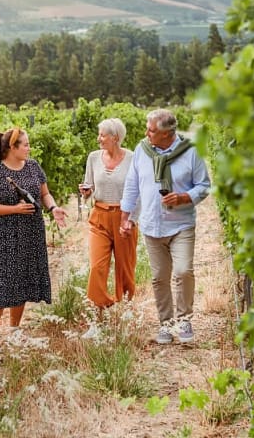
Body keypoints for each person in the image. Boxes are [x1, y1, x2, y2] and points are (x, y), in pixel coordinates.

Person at [0, 126, 67, 358]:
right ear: (11, 148)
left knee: (22, 279)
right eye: (24, 144)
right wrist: (14, 209)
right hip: (2, 236)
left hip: (30, 233)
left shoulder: (33, 166)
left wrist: (53, 208)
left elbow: (45, 194)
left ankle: (15, 330)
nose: (28, 148)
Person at [120, 109, 210, 345]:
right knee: (160, 278)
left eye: (151, 130)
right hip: (152, 224)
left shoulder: (190, 152)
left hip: (181, 224)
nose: (146, 133)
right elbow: (132, 185)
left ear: (167, 134)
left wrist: (183, 197)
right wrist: (125, 217)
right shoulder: (142, 150)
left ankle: (184, 319)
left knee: (183, 272)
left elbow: (204, 185)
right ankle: (166, 324)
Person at [78, 118, 138, 339]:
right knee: (97, 266)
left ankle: (127, 312)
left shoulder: (132, 158)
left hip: (124, 217)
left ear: (115, 137)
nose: (98, 138)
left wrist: (130, 220)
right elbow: (90, 187)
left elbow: (138, 191)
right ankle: (96, 317)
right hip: (100, 217)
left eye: (102, 135)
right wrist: (86, 192)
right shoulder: (93, 158)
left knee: (125, 267)